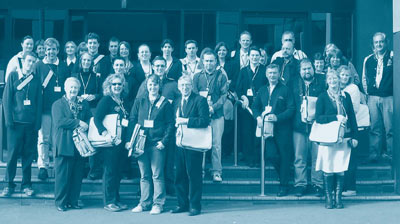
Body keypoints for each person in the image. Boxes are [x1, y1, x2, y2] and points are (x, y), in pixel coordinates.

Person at [128, 74, 174, 215]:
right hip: (141, 143)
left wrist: (164, 141)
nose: (152, 87)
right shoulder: (140, 101)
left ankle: (158, 204)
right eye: (150, 85)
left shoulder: (165, 103)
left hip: (156, 144)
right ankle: (144, 203)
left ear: (159, 86)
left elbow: (170, 124)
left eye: (155, 84)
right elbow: (133, 119)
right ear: (146, 86)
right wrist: (131, 140)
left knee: (157, 175)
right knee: (144, 175)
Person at [136, 56, 180, 195]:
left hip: (168, 124)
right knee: (150, 165)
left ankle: (168, 186)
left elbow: (180, 98)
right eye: (157, 66)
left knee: (168, 157)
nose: (160, 68)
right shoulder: (145, 83)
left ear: (165, 67)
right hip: (149, 131)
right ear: (153, 67)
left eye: (162, 66)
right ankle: (145, 191)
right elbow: (139, 103)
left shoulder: (173, 84)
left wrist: (175, 105)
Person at [315, 69, 358, 209]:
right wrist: (335, 118)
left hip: (344, 137)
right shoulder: (322, 97)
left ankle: (338, 198)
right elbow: (318, 118)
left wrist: (355, 136)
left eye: (335, 79)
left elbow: (352, 117)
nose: (333, 82)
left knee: (340, 168)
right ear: (327, 81)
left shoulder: (346, 96)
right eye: (331, 79)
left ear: (339, 80)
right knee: (328, 168)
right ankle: (329, 198)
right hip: (328, 138)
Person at [1, 52, 42, 197]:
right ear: (23, 61)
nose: (30, 64)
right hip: (15, 124)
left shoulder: (36, 79)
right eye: (29, 61)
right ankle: (8, 185)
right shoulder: (13, 76)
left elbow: (39, 102)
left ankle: (26, 185)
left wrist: (38, 123)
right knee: (12, 156)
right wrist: (8, 120)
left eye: (33, 62)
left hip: (30, 124)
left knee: (28, 155)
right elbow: (6, 100)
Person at [252, 64, 295, 197]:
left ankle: (284, 186)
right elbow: (255, 107)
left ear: (278, 74)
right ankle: (285, 174)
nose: (272, 75)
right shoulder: (262, 90)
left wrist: (277, 117)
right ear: (266, 74)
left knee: (285, 156)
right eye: (270, 73)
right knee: (271, 155)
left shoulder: (286, 90)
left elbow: (291, 109)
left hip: (282, 128)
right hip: (267, 129)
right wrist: (258, 117)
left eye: (274, 73)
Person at [171, 75, 210, 216]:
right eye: (182, 85)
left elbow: (205, 121)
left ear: (191, 86)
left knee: (194, 175)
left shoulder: (200, 100)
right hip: (179, 143)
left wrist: (185, 121)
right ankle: (182, 204)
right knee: (179, 175)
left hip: (194, 143)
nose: (185, 88)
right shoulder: (176, 101)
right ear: (178, 87)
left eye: (187, 85)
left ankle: (195, 206)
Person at [52, 77, 92, 211]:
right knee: (62, 176)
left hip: (80, 145)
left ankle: (73, 201)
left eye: (76, 88)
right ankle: (60, 203)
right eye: (71, 87)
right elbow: (60, 121)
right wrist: (78, 123)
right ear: (65, 88)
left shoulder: (84, 103)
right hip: (64, 143)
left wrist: (86, 124)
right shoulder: (58, 104)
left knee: (77, 175)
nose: (73, 90)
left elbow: (88, 118)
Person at [36, 37, 69, 181]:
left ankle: (58, 165)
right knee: (44, 138)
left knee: (57, 139)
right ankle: (43, 166)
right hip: (43, 107)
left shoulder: (63, 66)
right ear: (44, 50)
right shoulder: (38, 66)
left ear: (58, 50)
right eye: (48, 49)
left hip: (59, 109)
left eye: (53, 49)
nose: (51, 52)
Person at [94, 74, 129, 212]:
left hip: (121, 143)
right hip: (110, 143)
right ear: (109, 86)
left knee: (118, 172)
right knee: (110, 172)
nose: (117, 86)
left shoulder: (123, 101)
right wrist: (105, 134)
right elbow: (97, 119)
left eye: (119, 84)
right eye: (114, 84)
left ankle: (116, 199)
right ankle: (109, 201)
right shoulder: (106, 100)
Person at [192, 48, 228, 181]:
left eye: (211, 61)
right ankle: (199, 171)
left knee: (216, 144)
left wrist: (213, 107)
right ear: (202, 61)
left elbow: (224, 95)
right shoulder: (197, 76)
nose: (209, 63)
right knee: (200, 144)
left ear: (216, 61)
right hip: (201, 116)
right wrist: (203, 109)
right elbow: (194, 95)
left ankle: (216, 171)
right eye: (206, 61)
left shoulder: (221, 76)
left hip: (217, 114)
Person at [292, 59, 326, 197]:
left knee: (317, 156)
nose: (307, 71)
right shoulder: (294, 84)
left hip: (317, 125)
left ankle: (317, 184)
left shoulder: (322, 82)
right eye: (304, 69)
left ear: (313, 69)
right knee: (299, 157)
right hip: (298, 126)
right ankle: (300, 184)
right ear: (300, 71)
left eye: (309, 68)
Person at [362, 32, 393, 163]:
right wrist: (368, 93)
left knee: (390, 128)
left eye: (381, 42)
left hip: (389, 97)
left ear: (386, 43)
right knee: (374, 128)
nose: (379, 44)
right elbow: (364, 78)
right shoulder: (368, 59)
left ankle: (391, 154)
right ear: (373, 44)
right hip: (373, 98)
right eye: (376, 42)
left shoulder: (393, 56)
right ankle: (374, 154)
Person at [234, 46, 268, 166]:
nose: (254, 57)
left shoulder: (265, 70)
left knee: (258, 132)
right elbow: (238, 89)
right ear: (248, 57)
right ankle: (249, 158)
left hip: (260, 106)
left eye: (257, 56)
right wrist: (243, 98)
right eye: (252, 55)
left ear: (260, 57)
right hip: (246, 107)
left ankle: (258, 158)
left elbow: (267, 88)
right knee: (247, 132)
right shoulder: (243, 71)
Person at [339, 65, 362, 197]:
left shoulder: (352, 89)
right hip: (336, 128)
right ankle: (340, 187)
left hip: (349, 127)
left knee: (350, 158)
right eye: (342, 75)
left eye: (347, 75)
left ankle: (351, 187)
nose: (344, 77)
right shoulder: (333, 89)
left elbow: (354, 110)